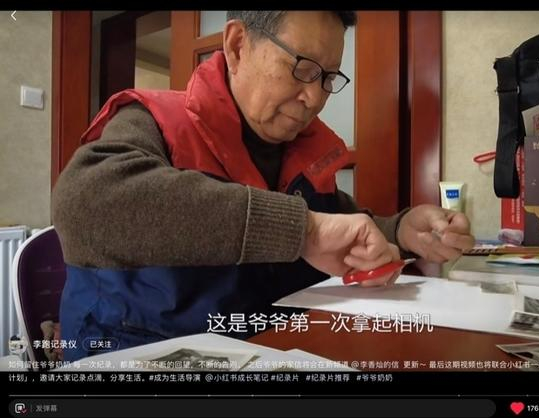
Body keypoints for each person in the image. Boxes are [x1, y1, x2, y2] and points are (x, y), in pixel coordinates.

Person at [52, 11, 475, 362]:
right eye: (302, 68)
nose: (315, 98)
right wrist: (302, 230)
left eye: (327, 78)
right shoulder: (154, 122)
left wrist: (400, 229)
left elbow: (335, 221)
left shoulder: (302, 148)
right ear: (238, 46)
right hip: (142, 350)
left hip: (273, 350)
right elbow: (84, 205)